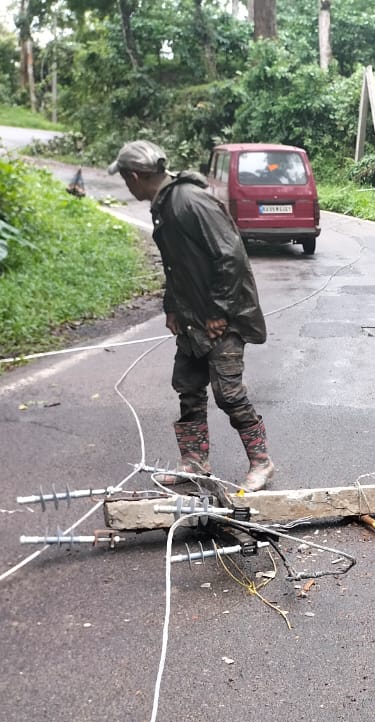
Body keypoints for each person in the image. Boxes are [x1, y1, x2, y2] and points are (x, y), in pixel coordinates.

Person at [108, 139, 275, 491]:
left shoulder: (188, 201)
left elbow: (231, 257)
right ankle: (195, 462)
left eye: (125, 178)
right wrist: (172, 308)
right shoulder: (165, 204)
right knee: (188, 386)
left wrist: (217, 311)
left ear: (136, 175)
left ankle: (262, 461)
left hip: (222, 316)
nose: (126, 184)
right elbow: (178, 265)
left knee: (228, 393)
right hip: (191, 319)